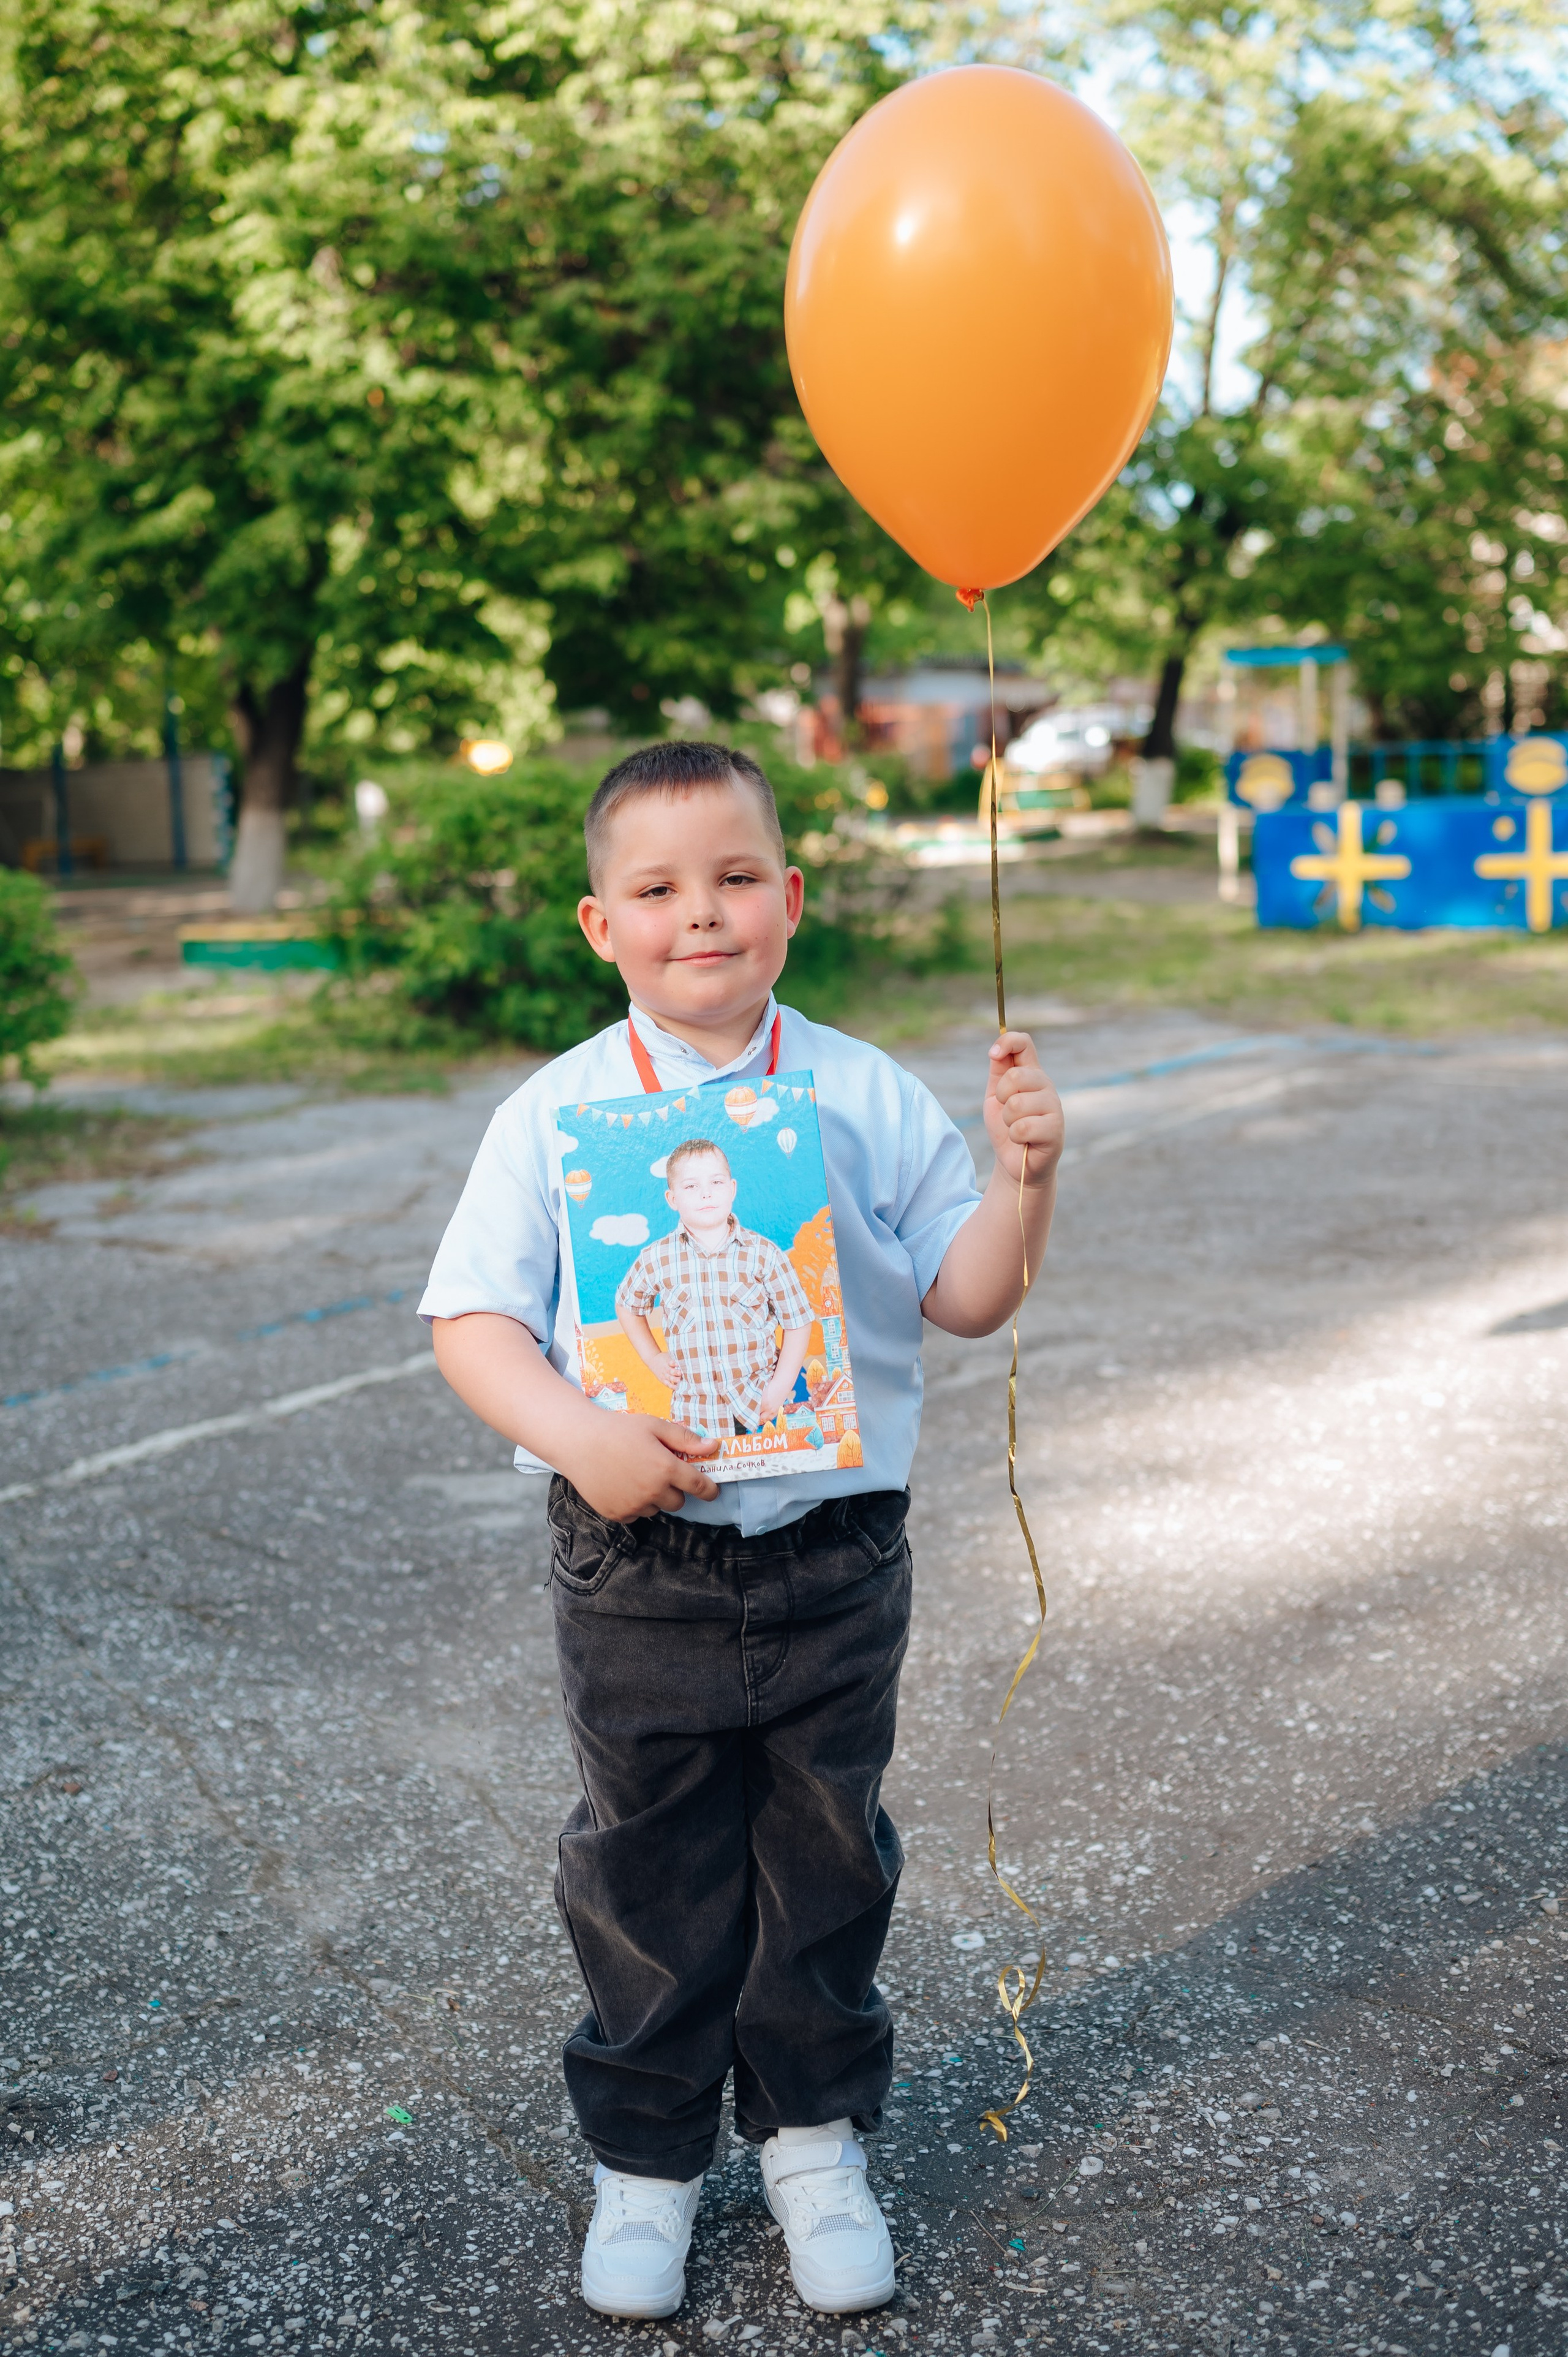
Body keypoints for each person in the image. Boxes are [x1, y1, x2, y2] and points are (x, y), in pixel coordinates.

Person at [420, 741, 1064, 2323]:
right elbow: (474, 1318)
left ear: (791, 895)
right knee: (646, 1860)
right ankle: (645, 2160)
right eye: (656, 888)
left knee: (826, 1848)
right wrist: (582, 1433)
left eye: (732, 876)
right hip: (637, 1561)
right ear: (600, 923)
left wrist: (1023, 1177)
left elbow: (965, 1294)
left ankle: (813, 2136)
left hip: (836, 1549)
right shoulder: (558, 1110)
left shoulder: (856, 1085)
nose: (697, 912)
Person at [615, 1135, 815, 1439]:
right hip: (695, 1417)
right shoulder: (657, 1258)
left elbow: (798, 1321)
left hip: (762, 1408)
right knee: (704, 1487)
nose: (706, 1194)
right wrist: (654, 1358)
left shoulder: (764, 1255)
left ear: (732, 1189)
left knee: (772, 1482)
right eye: (691, 1186)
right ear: (672, 1199)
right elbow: (627, 1305)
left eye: (717, 1183)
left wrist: (781, 1387)